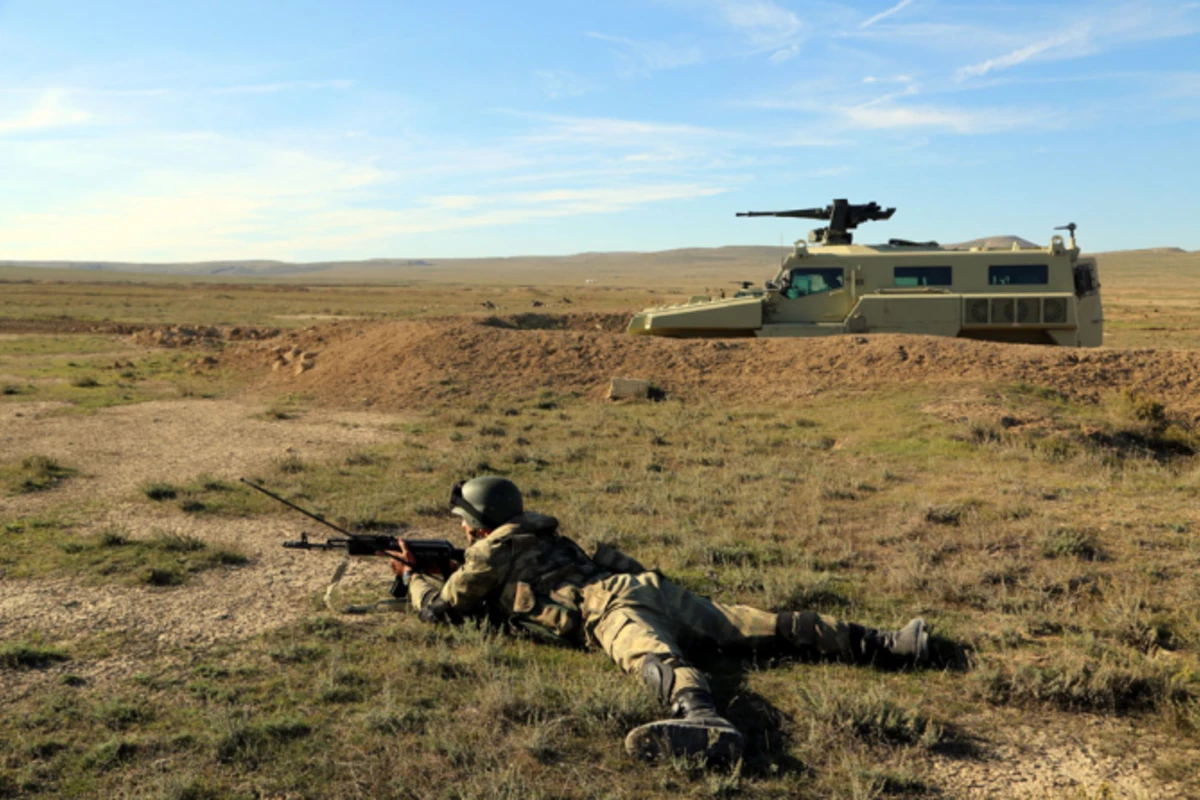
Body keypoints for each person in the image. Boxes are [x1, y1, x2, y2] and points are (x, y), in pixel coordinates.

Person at [387, 476, 930, 764]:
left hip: (609, 607)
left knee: (652, 657)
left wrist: (412, 577)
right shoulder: (542, 530)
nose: (461, 532)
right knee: (760, 623)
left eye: (464, 525)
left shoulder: (487, 553)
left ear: (477, 524)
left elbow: (444, 610)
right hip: (647, 587)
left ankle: (703, 720)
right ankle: (888, 643)